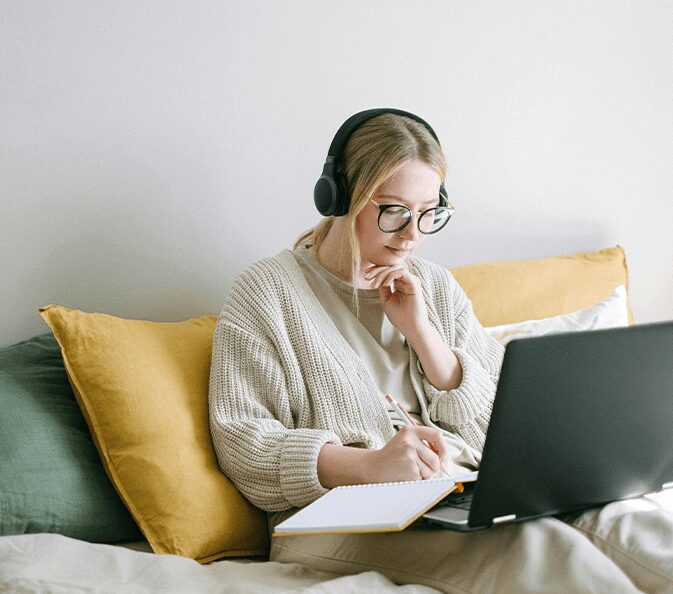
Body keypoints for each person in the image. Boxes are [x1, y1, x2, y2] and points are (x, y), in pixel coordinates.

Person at [209, 109, 673, 593]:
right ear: (340, 197)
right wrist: (368, 466)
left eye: (428, 213)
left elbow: (501, 427)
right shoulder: (267, 292)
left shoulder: (433, 285)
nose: (412, 235)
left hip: (461, 494)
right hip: (333, 520)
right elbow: (242, 442)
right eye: (394, 211)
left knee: (631, 523)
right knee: (543, 550)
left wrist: (425, 334)